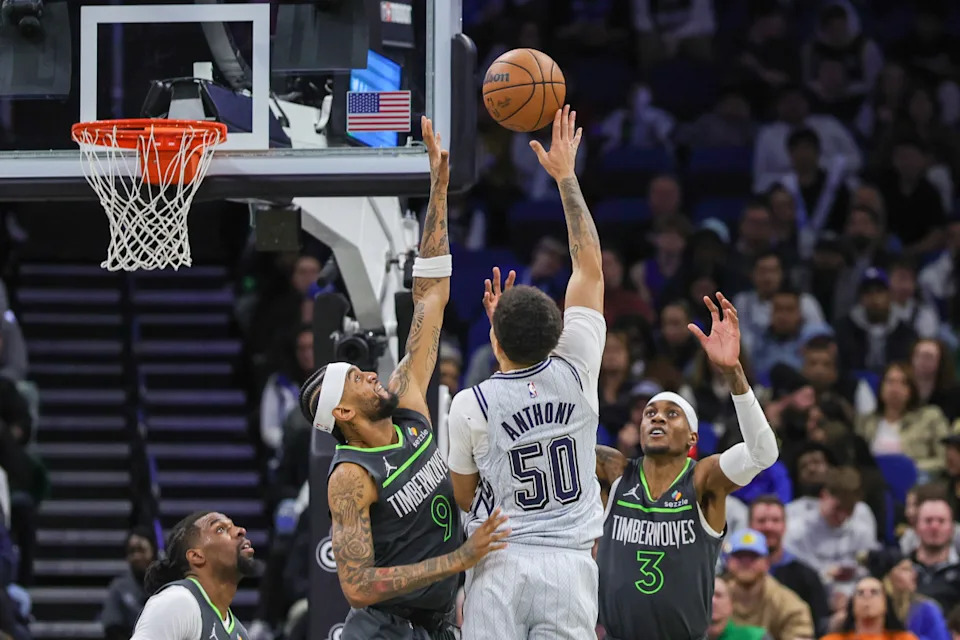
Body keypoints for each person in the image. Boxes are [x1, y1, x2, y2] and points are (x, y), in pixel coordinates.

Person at [297, 116, 508, 640]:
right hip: (383, 630)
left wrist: (437, 189)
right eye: (356, 380)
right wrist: (457, 558)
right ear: (342, 414)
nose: (371, 374)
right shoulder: (350, 476)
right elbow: (358, 585)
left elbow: (430, 298)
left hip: (434, 625)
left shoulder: (408, 403)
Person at [446, 106, 606, 640]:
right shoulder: (579, 363)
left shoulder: (471, 404)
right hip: (570, 565)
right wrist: (566, 176)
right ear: (558, 330)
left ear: (494, 340)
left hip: (501, 561)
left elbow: (465, 495)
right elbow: (588, 266)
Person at [595, 292, 780, 640]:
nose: (657, 419)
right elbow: (558, 441)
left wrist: (733, 373)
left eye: (671, 413)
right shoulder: (614, 471)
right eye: (650, 413)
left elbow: (763, 453)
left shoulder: (702, 479)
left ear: (692, 439)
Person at [131, 511, 258, 640]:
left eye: (234, 526)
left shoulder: (240, 633)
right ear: (196, 556)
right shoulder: (178, 602)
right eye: (220, 529)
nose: (241, 530)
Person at [102, 527, 156, 640]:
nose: (137, 556)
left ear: (152, 551)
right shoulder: (119, 587)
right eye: (132, 551)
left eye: (141, 550)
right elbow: (112, 628)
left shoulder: (168, 586)